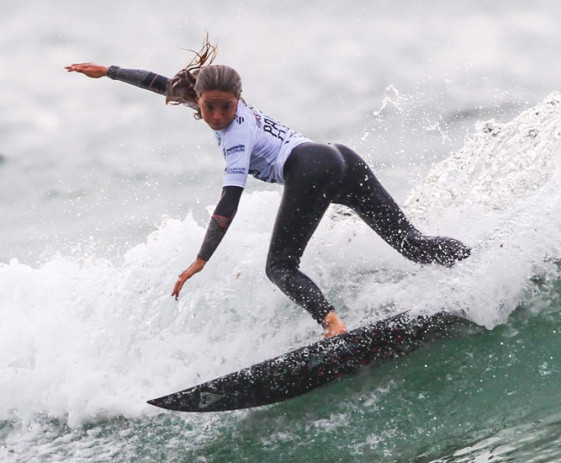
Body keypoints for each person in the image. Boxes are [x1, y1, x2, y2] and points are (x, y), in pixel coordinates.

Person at [66, 41, 470, 338]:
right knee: (414, 244)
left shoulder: (236, 135)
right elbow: (163, 84)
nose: (219, 116)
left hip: (310, 167)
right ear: (199, 100)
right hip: (338, 157)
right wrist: (110, 72)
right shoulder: (216, 102)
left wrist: (201, 259)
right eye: (209, 107)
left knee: (279, 267)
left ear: (238, 100)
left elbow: (230, 199)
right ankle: (480, 262)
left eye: (226, 106)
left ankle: (333, 326)